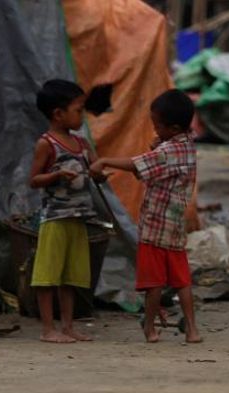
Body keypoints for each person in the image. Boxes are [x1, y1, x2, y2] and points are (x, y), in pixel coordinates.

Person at [89, 89, 201, 344]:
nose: (155, 130)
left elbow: (138, 164)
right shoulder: (187, 145)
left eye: (157, 126)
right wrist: (161, 142)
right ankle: (192, 330)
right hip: (175, 229)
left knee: (154, 283)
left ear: (172, 128)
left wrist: (104, 161)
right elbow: (157, 166)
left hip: (155, 227)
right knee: (182, 281)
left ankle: (149, 329)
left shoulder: (167, 151)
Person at [29, 79, 99, 344]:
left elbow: (96, 170)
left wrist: (100, 173)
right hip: (55, 218)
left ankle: (68, 326)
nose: (82, 115)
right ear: (58, 114)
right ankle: (48, 329)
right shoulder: (46, 144)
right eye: (78, 109)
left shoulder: (82, 144)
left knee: (69, 277)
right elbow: (33, 180)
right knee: (48, 276)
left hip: (78, 217)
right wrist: (57, 174)